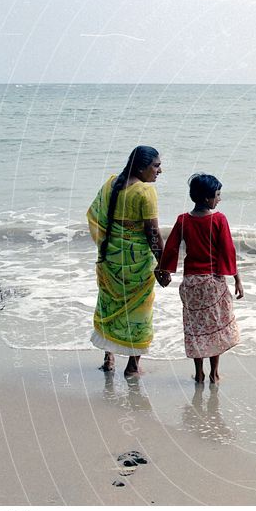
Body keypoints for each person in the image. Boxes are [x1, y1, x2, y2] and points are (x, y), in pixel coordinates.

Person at [87, 145, 169, 377]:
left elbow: (96, 216)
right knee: (140, 310)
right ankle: (133, 365)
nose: (159, 171)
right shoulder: (145, 192)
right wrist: (163, 265)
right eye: (156, 166)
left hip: (111, 257)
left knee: (110, 304)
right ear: (142, 167)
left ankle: (108, 356)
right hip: (138, 262)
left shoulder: (111, 184)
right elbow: (153, 233)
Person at [157, 173, 244, 383]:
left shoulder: (183, 220)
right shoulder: (219, 219)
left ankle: (198, 373)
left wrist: (165, 270)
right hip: (213, 282)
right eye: (217, 194)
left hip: (192, 283)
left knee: (195, 328)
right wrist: (237, 278)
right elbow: (228, 251)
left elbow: (171, 248)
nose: (219, 199)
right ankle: (214, 373)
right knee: (214, 327)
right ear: (207, 198)